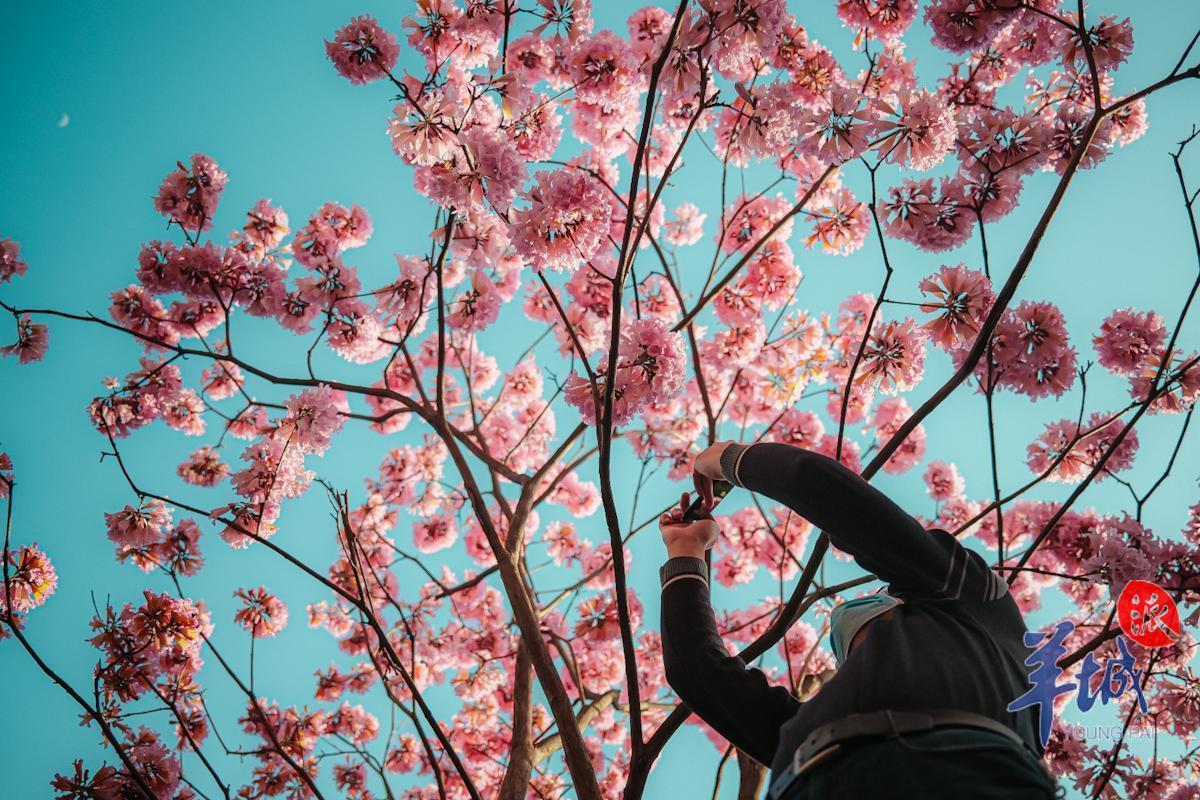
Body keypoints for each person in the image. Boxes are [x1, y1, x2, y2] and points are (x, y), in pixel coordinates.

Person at [656, 440, 1062, 799]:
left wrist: (731, 459)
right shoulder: (814, 726)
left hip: (957, 768)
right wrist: (685, 550)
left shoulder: (978, 599)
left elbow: (834, 497)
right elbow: (696, 672)